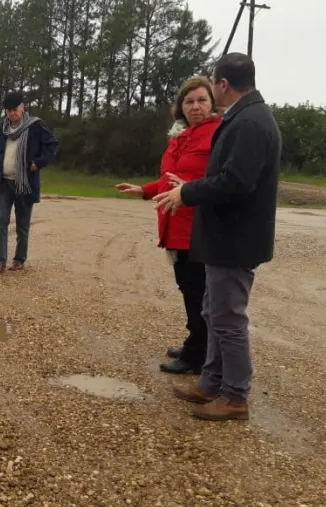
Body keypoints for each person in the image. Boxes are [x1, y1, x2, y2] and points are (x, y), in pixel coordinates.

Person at [153, 53, 282, 421]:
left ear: (223, 84)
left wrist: (188, 193)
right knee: (213, 310)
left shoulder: (252, 122)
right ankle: (211, 382)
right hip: (222, 236)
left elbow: (236, 182)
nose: (209, 91)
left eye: (212, 83)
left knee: (227, 318)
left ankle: (235, 396)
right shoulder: (243, 117)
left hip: (235, 238)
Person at [116, 76, 221, 375]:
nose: (195, 106)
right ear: (180, 107)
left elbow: (218, 180)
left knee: (197, 292)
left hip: (198, 228)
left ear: (212, 103)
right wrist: (145, 190)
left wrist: (192, 189)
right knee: (188, 288)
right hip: (174, 226)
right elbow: (169, 179)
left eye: (202, 100)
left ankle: (198, 355)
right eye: (189, 101)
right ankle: (196, 343)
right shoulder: (178, 137)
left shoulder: (217, 133)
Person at [0, 91, 59, 273]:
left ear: (22, 107)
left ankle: (19, 259)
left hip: (25, 183)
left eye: (15, 109)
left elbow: (53, 145)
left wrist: (38, 163)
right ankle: (0, 261)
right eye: (8, 110)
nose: (12, 113)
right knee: (1, 221)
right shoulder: (0, 128)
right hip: (4, 182)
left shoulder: (35, 126)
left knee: (22, 224)